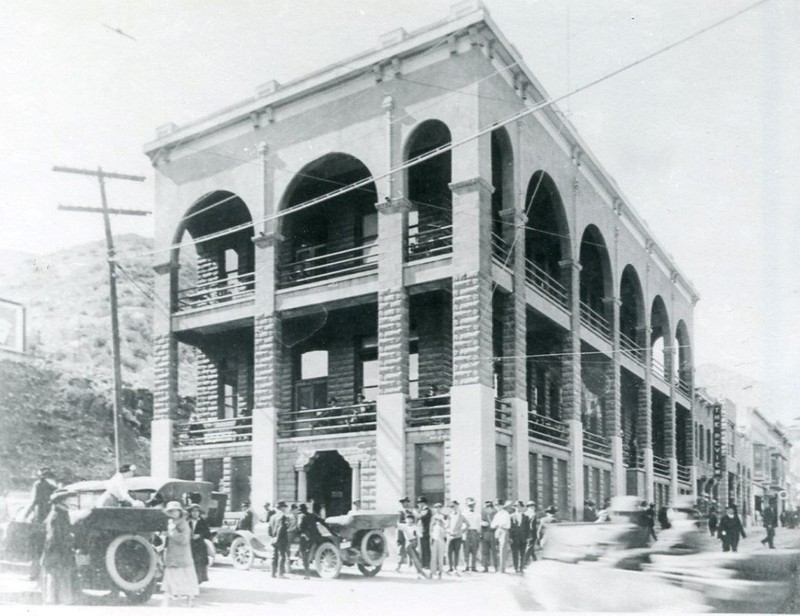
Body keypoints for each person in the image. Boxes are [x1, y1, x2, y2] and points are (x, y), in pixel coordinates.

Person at [40, 489, 77, 605]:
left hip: (53, 548)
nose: (70, 501)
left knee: (53, 573)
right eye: (68, 498)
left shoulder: (55, 513)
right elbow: (59, 534)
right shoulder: (60, 514)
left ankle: (51, 598)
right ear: (62, 501)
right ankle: (65, 599)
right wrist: (69, 542)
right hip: (59, 547)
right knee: (63, 572)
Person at [162, 501, 200, 607]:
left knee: (187, 580)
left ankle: (189, 601)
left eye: (175, 511)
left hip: (182, 558)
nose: (173, 513)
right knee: (169, 580)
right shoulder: (171, 524)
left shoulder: (184, 524)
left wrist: (171, 532)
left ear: (180, 512)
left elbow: (184, 540)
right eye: (170, 511)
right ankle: (166, 602)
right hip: (172, 557)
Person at [25, 467, 58, 581]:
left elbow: (34, 501)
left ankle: (34, 574)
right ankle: (44, 575)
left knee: (36, 548)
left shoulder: (38, 485)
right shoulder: (55, 486)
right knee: (46, 547)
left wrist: (24, 515)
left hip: (39, 520)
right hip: (51, 520)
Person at [298, 503, 328, 579]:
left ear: (301, 511)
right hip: (316, 537)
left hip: (306, 538)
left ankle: (307, 574)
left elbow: (300, 528)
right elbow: (322, 521)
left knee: (304, 555)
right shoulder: (312, 515)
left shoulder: (301, 517)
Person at [188, 504, 211, 584]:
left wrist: (199, 535)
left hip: (199, 546)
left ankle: (198, 580)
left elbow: (207, 533)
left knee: (199, 563)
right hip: (189, 545)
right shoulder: (187, 521)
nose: (195, 513)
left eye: (197, 511)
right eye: (193, 511)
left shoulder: (202, 521)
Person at [400, 513, 428, 579]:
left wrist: (418, 546)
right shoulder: (404, 526)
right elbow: (396, 525)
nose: (409, 520)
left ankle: (419, 574)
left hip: (415, 543)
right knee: (415, 559)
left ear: (412, 520)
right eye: (408, 519)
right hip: (409, 544)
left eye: (410, 519)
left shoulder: (415, 527)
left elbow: (420, 536)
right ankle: (422, 573)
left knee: (417, 559)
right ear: (405, 520)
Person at [268, 501, 290, 578]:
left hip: (274, 539)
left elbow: (269, 530)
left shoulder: (272, 517)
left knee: (274, 556)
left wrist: (273, 537)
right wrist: (278, 537)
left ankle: (273, 574)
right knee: (282, 556)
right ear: (281, 508)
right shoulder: (282, 516)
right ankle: (280, 574)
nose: (285, 509)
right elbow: (282, 527)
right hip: (281, 539)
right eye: (284, 507)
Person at [491, 501, 513, 573]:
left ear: (502, 506)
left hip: (504, 531)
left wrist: (498, 524)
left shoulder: (505, 513)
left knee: (503, 550)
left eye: (499, 505)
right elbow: (492, 525)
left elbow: (505, 523)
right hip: (498, 531)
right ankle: (497, 567)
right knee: (497, 549)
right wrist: (497, 525)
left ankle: (502, 569)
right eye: (496, 506)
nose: (497, 507)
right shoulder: (497, 514)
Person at [446, 500, 467, 574]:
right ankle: (450, 567)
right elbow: (446, 526)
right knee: (449, 552)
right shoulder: (449, 516)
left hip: (458, 536)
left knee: (456, 552)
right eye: (451, 506)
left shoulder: (461, 516)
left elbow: (468, 524)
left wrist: (461, 531)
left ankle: (455, 567)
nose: (453, 508)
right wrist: (448, 532)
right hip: (450, 536)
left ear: (457, 506)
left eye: (454, 506)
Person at [462, 497, 481, 572]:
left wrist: (479, 535)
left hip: (475, 532)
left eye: (473, 504)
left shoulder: (477, 513)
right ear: (467, 505)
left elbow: (479, 525)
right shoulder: (464, 513)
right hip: (467, 532)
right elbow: (462, 523)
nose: (471, 506)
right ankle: (466, 566)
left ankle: (473, 566)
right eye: (470, 505)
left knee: (474, 549)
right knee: (466, 549)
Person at [509, 501, 529, 573]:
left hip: (523, 538)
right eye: (517, 506)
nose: (518, 508)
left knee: (522, 553)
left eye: (520, 506)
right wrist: (510, 537)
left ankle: (521, 568)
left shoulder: (526, 517)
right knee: (515, 553)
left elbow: (527, 528)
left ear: (522, 507)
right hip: (514, 538)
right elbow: (510, 528)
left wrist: (527, 537)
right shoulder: (511, 516)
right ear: (514, 507)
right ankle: (515, 567)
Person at [429, 503, 447, 579]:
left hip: (441, 538)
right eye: (436, 508)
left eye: (439, 507)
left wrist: (442, 523)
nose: (437, 509)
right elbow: (430, 528)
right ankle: (432, 572)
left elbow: (446, 527)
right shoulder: (433, 517)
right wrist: (431, 537)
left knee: (440, 557)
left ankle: (440, 573)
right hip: (434, 538)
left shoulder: (444, 516)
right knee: (433, 556)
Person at [480, 500, 498, 572]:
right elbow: (481, 527)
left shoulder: (496, 515)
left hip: (493, 535)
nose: (487, 509)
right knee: (485, 552)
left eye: (488, 508)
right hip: (485, 536)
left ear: (491, 508)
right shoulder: (484, 516)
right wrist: (481, 537)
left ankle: (496, 567)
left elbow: (497, 525)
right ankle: (486, 567)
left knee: (494, 552)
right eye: (486, 508)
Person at [415, 496, 432, 569]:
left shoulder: (426, 510)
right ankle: (423, 564)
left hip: (425, 532)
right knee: (422, 548)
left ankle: (427, 564)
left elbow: (421, 516)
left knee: (425, 548)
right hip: (421, 532)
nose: (418, 505)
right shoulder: (422, 510)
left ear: (423, 503)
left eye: (419, 503)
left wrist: (415, 513)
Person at [396, 497, 412, 571]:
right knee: (401, 549)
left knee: (410, 548)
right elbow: (398, 523)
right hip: (402, 533)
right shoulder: (400, 512)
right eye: (405, 502)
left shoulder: (410, 512)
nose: (406, 504)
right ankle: (398, 566)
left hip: (409, 533)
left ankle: (410, 565)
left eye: (407, 502)